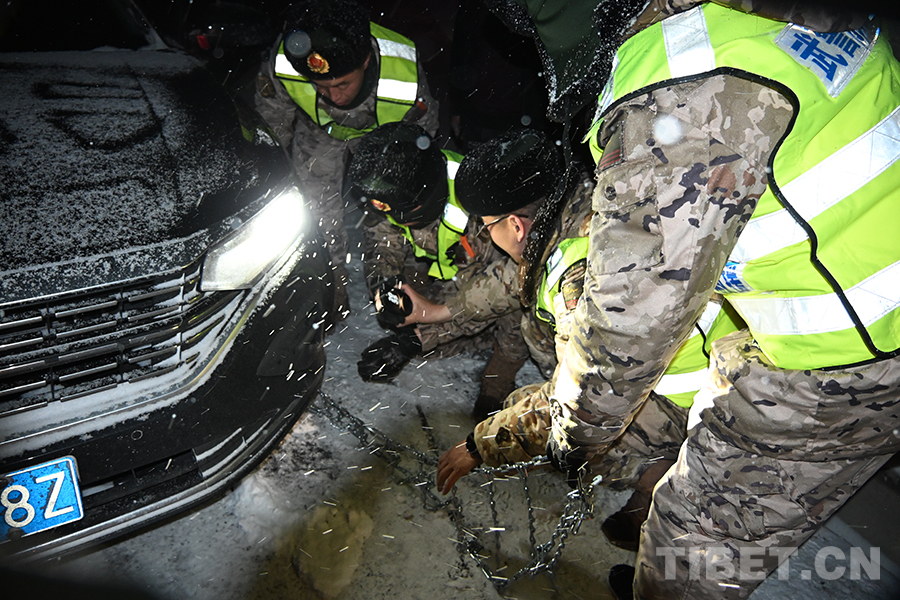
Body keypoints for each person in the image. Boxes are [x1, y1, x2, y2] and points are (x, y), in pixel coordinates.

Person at [484, 1, 900, 598]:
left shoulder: (675, 94)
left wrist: (570, 434)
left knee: (691, 548)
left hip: (853, 352)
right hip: (864, 310)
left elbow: (626, 331)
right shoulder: (744, 20)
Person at [434, 129, 743, 551]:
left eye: (487, 228)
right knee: (529, 397)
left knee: (567, 437)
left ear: (516, 225)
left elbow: (582, 400)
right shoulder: (592, 205)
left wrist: (479, 446)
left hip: (690, 398)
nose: (487, 237)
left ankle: (659, 480)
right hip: (691, 364)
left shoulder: (575, 279)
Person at [254, 0, 439, 322]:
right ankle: (329, 286)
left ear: (366, 61)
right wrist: (272, 180)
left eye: (342, 84)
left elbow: (419, 160)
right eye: (321, 86)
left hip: (388, 134)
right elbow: (272, 127)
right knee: (315, 209)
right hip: (320, 130)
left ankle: (402, 278)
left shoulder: (404, 73)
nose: (335, 96)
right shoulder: (285, 61)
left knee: (395, 201)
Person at [347, 122, 530, 415]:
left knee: (517, 315)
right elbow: (382, 245)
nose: (398, 221)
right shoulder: (396, 188)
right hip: (454, 271)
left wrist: (415, 339)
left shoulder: (485, 210)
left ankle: (498, 379)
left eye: (405, 215)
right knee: (416, 327)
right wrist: (385, 287)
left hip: (503, 285)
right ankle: (459, 334)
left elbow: (490, 295)